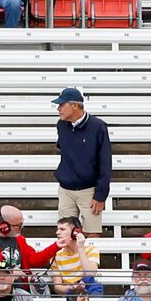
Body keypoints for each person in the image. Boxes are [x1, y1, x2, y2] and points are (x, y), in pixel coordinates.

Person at [52, 88, 111, 233]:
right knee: (65, 233)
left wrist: (100, 194)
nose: (58, 109)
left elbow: (105, 162)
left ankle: (90, 257)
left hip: (89, 190)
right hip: (66, 189)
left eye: (61, 105)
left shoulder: (98, 126)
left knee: (92, 232)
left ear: (74, 105)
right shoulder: (61, 125)